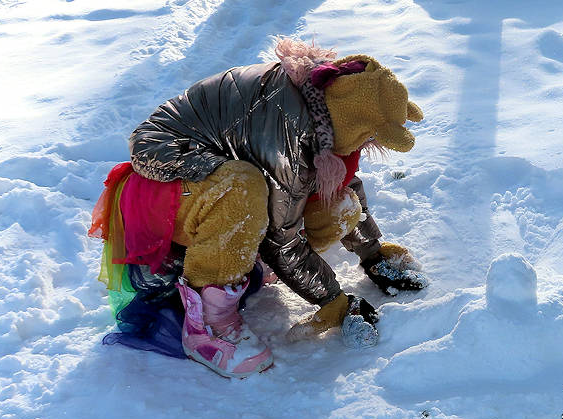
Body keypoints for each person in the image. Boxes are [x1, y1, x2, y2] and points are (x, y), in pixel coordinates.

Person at [90, 39, 427, 378]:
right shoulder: (288, 133)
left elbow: (340, 183)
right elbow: (283, 242)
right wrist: (334, 300)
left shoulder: (323, 103)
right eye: (368, 137)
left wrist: (373, 253)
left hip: (208, 180)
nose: (368, 146)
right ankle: (207, 325)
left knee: (330, 202)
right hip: (160, 185)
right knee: (244, 187)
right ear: (354, 122)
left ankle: (243, 257)